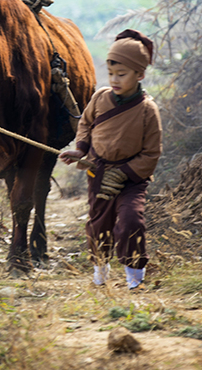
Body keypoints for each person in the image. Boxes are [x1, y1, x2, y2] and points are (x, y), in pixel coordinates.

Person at [59, 29, 162, 289]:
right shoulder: (100, 98)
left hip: (132, 179)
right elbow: (85, 123)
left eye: (122, 74)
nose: (114, 80)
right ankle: (100, 272)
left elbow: (152, 152)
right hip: (98, 171)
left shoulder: (147, 110)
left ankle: (134, 278)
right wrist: (80, 150)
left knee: (131, 220)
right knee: (98, 225)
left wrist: (125, 172)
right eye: (111, 73)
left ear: (140, 75)